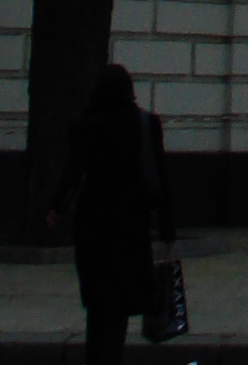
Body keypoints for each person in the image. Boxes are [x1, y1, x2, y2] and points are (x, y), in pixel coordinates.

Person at [64, 62, 174, 362]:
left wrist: (55, 208)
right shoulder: (145, 123)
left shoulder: (85, 126)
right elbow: (160, 175)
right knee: (121, 302)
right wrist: (167, 226)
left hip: (93, 225)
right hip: (130, 225)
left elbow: (73, 175)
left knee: (98, 303)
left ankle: (96, 357)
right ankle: (112, 356)